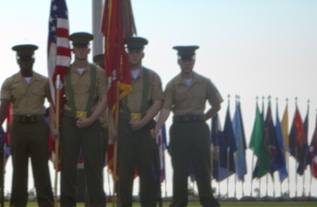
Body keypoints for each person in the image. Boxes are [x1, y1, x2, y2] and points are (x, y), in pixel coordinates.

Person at [154, 46, 221, 207]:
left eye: (190, 60)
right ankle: (178, 203)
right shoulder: (172, 85)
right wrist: (157, 127)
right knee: (179, 169)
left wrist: (202, 118)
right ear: (179, 62)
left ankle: (208, 203)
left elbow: (216, 105)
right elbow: (166, 109)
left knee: (203, 168)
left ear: (194, 61)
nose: (187, 63)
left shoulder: (205, 82)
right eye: (184, 60)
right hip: (180, 128)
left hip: (199, 128)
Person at [0, 44, 55, 207]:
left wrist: (52, 124)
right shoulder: (10, 82)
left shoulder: (44, 82)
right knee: (19, 170)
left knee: (41, 169)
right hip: (18, 127)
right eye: (22, 59)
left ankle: (47, 204)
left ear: (33, 60)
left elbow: (54, 105)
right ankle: (17, 204)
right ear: (18, 61)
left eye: (28, 59)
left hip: (38, 127)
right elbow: (4, 105)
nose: (25, 62)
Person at [55, 32, 107, 207]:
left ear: (89, 49)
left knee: (94, 169)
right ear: (72, 49)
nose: (81, 50)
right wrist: (56, 126)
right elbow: (56, 98)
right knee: (68, 169)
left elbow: (104, 99)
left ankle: (95, 204)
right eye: (78, 47)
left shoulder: (98, 73)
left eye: (84, 47)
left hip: (91, 123)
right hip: (69, 123)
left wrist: (92, 119)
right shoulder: (63, 72)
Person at [114, 36, 163, 207]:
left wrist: (143, 122)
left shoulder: (153, 77)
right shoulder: (119, 77)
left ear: (143, 54)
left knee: (147, 173)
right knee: (124, 173)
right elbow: (112, 103)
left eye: (138, 52)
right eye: (132, 52)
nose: (134, 55)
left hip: (145, 127)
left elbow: (158, 102)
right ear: (127, 53)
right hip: (124, 127)